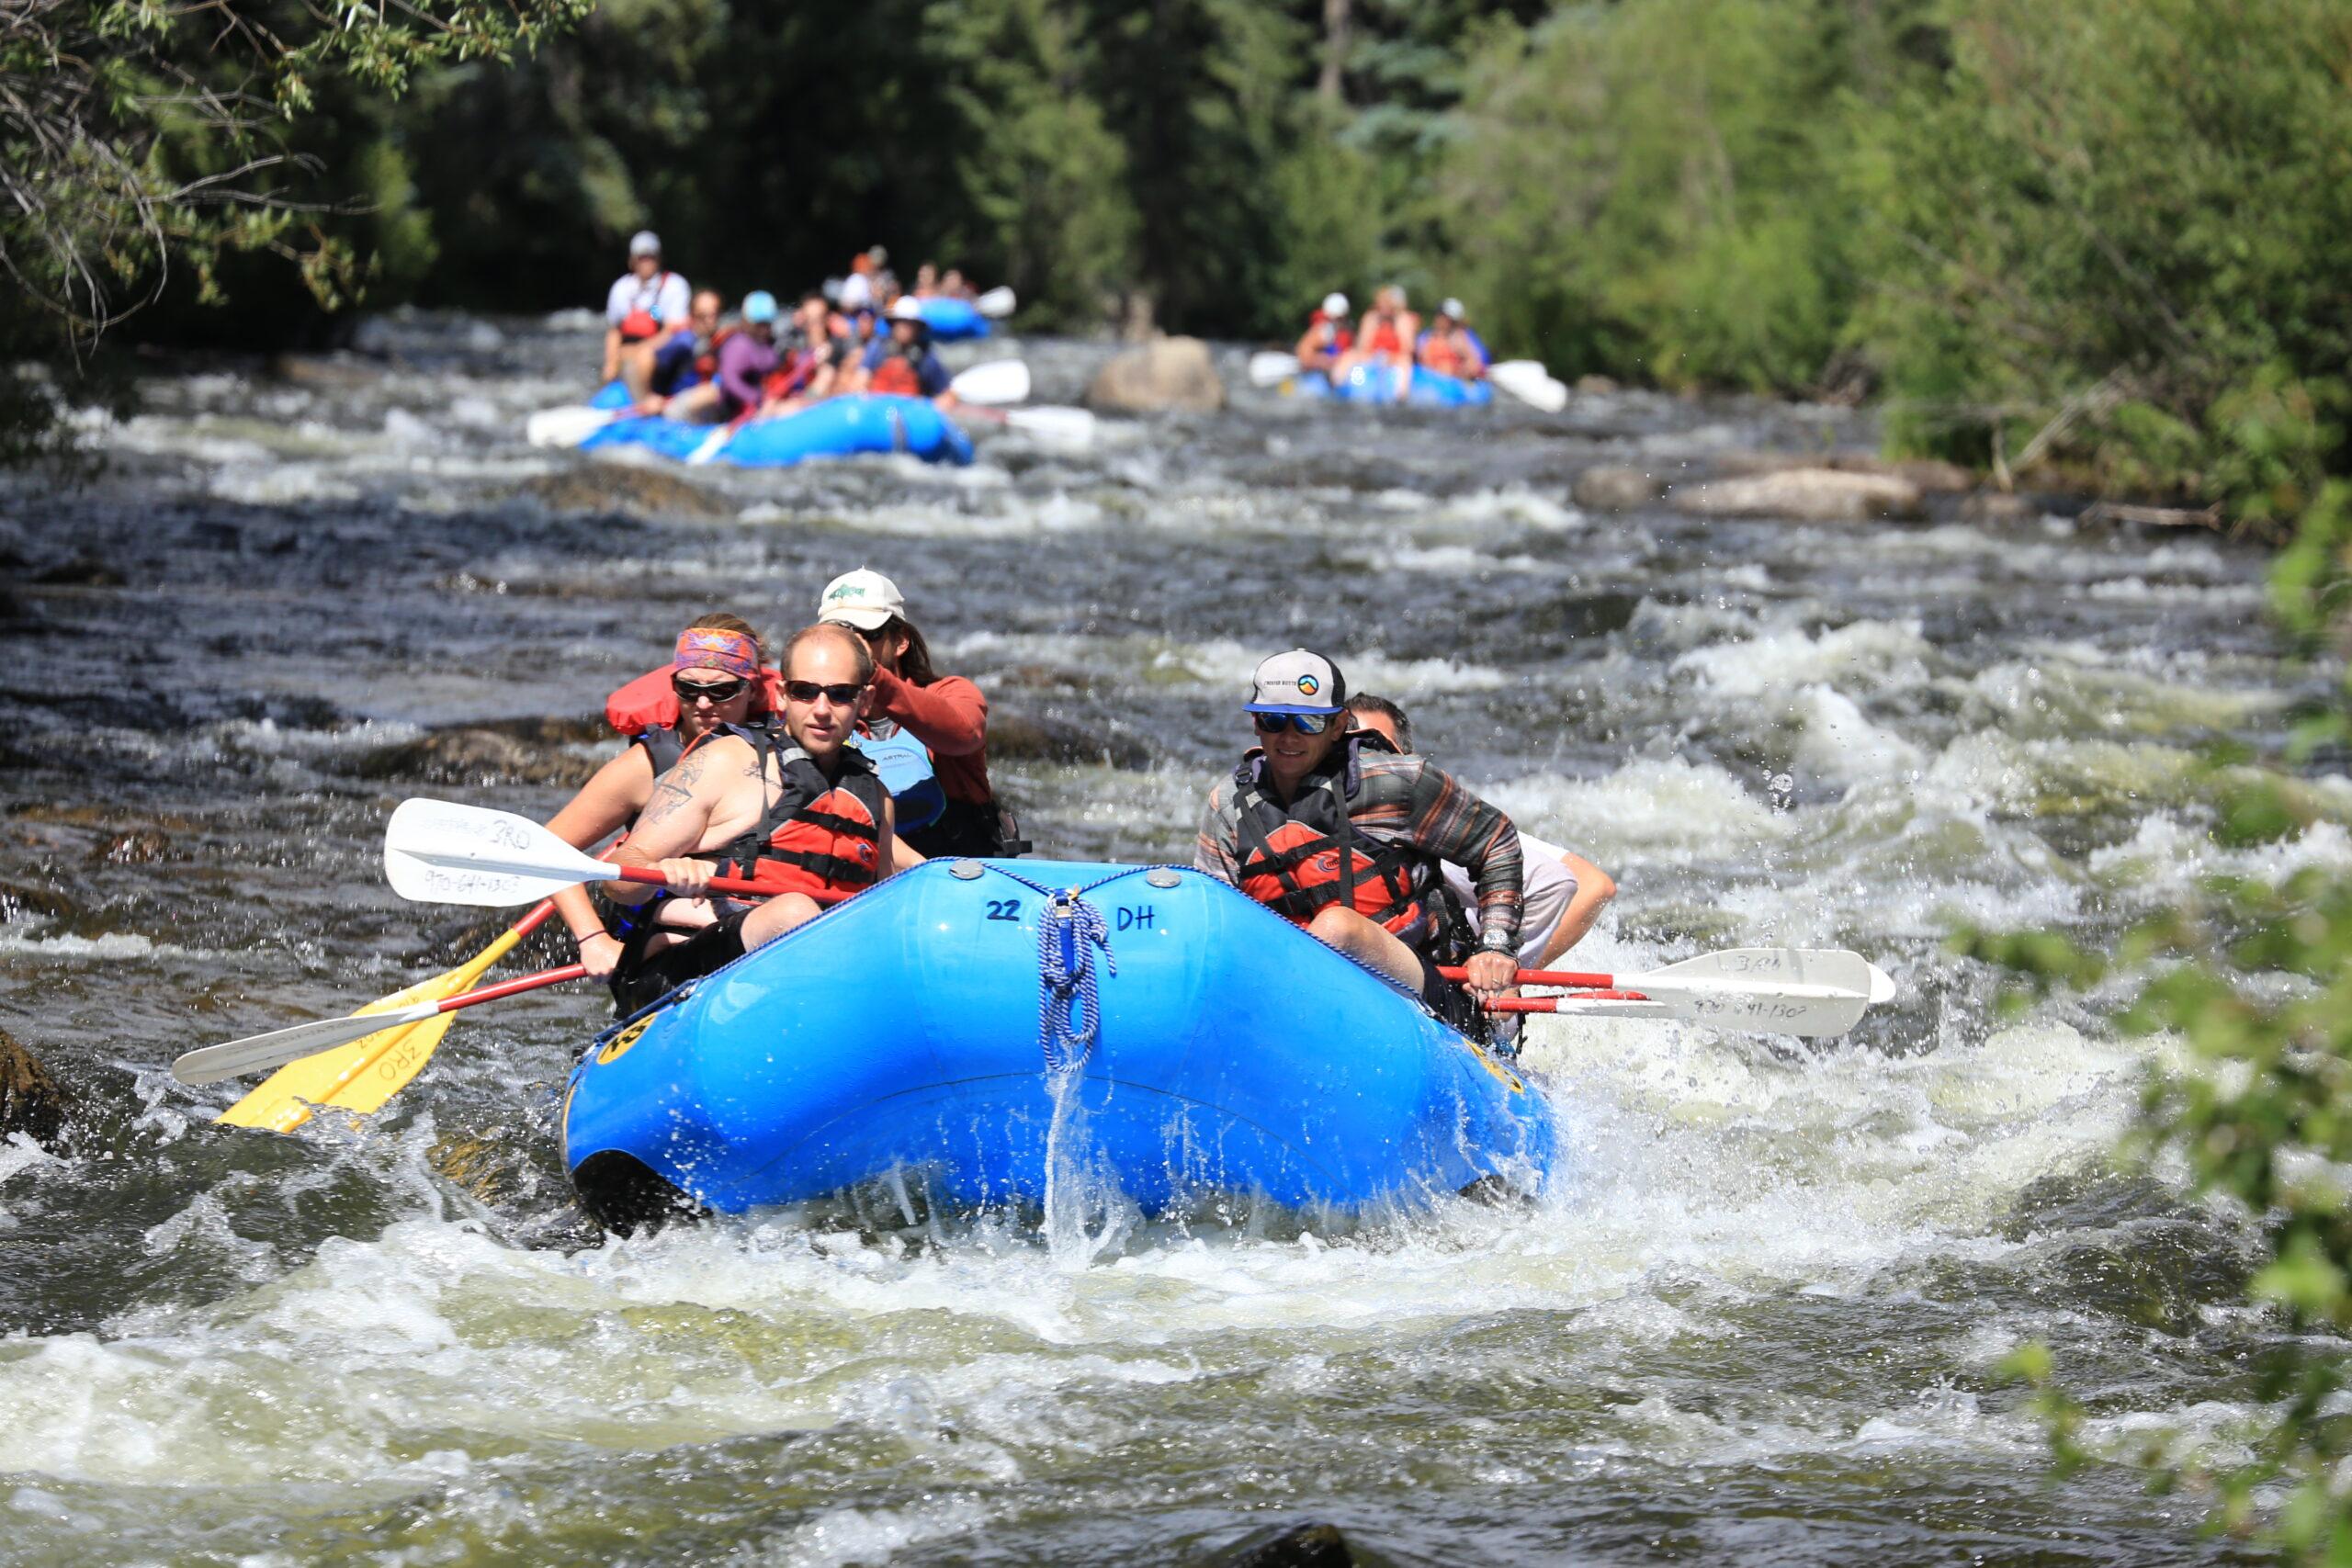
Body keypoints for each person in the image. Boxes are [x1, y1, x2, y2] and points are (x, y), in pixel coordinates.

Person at [1194, 650, 1522, 1024]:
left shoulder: (1396, 783)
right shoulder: (1228, 805)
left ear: (1338, 726)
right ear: (1255, 722)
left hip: (1419, 991)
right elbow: (1216, 916)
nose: (1289, 737)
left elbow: (1497, 842)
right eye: (1274, 720)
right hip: (1285, 993)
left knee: (1339, 927)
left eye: (1307, 722)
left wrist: (1496, 945)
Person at [604, 624, 901, 1010]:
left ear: (865, 701)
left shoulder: (874, 797)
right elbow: (620, 876)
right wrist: (665, 872)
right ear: (782, 696)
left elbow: (887, 910)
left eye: (840, 695)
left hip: (808, 985)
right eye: (805, 692)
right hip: (685, 977)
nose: (822, 709)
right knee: (795, 912)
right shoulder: (727, 761)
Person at [545, 615, 775, 987]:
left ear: (752, 688)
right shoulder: (646, 766)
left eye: (721, 691)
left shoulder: (784, 753)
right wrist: (592, 939)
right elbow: (549, 849)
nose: (702, 703)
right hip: (666, 946)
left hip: (759, 929)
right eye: (688, 689)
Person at [1344, 694, 1614, 965]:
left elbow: (1591, 886)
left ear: (1405, 759)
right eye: (1350, 747)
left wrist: (1503, 969)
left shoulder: (1439, 821)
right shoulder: (1323, 797)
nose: (1361, 760)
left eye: (1373, 749)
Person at [814, 568, 1023, 859]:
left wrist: (874, 678)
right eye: (839, 636)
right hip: (863, 878)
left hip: (957, 876)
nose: (851, 648)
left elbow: (964, 733)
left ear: (900, 641)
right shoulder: (815, 709)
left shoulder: (952, 692)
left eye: (865, 635)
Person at [661, 290, 780, 423]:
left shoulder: (765, 346)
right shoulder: (685, 341)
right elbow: (729, 380)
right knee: (711, 393)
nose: (763, 328)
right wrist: (758, 399)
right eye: (758, 323)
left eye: (766, 322)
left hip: (722, 406)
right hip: (690, 404)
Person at [602, 231, 692, 393]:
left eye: (651, 257)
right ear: (632, 260)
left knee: (645, 358)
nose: (646, 262)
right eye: (641, 257)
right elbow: (614, 331)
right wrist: (611, 363)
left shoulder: (674, 285)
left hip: (662, 356)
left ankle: (649, 400)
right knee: (619, 369)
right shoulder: (621, 288)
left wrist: (637, 351)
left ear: (659, 259)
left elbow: (672, 331)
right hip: (628, 355)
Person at [854, 297, 956, 405]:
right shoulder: (877, 347)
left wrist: (929, 409)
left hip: (911, 416)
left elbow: (947, 394)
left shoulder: (927, 356)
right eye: (902, 323)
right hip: (877, 411)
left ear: (918, 328)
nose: (906, 328)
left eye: (911, 324)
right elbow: (861, 380)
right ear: (894, 324)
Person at [1335, 286, 1419, 395]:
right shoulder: (1370, 318)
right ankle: (1340, 385)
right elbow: (1362, 345)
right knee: (1350, 355)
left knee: (1405, 361)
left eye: (1387, 304)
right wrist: (1374, 357)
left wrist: (1389, 357)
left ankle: (1401, 394)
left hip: (1395, 358)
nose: (1384, 308)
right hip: (1372, 355)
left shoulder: (1402, 320)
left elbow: (1408, 348)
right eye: (1382, 304)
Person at [647, 288, 725, 402]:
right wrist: (650, 396)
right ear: (692, 316)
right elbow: (648, 358)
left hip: (708, 401)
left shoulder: (722, 342)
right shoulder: (683, 342)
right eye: (702, 316)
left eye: (714, 315)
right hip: (676, 402)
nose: (709, 321)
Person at [1416, 299, 1489, 383]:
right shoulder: (1426, 338)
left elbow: (1473, 365)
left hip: (1451, 386)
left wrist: (1457, 373)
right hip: (1429, 384)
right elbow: (1421, 362)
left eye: (1442, 316)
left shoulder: (1458, 338)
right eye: (1439, 315)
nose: (1439, 319)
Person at [1295, 292, 1352, 376]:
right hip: (1316, 375)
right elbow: (1304, 355)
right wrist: (1325, 361)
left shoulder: (1330, 329)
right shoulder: (1323, 330)